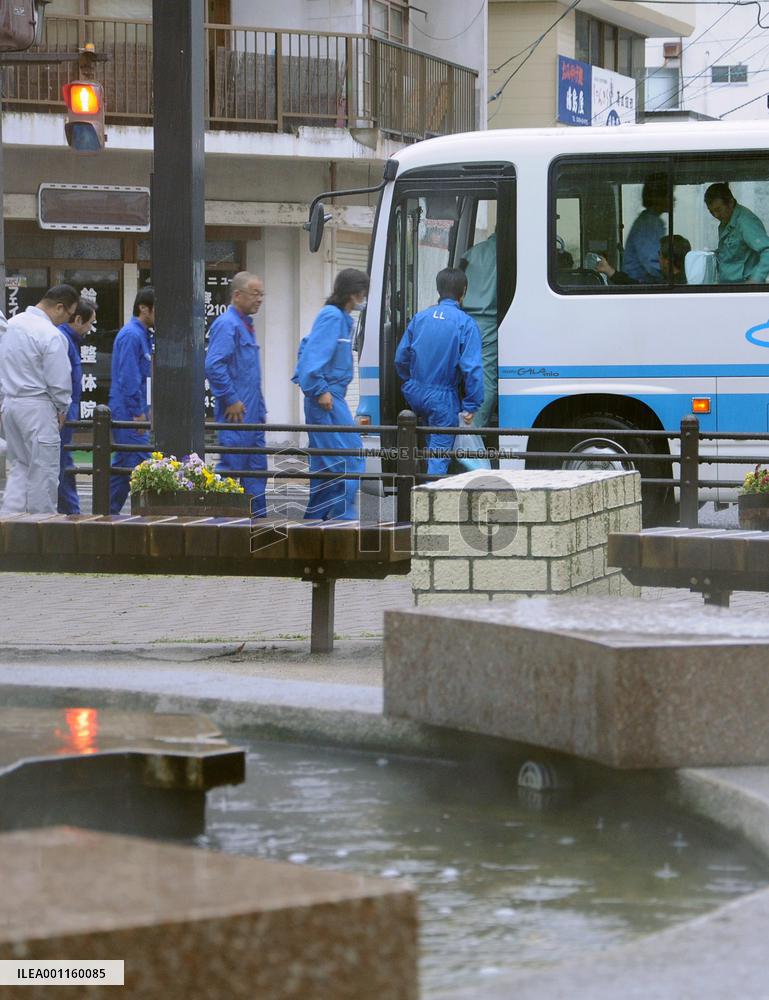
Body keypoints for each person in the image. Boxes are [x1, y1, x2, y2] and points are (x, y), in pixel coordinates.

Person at [293, 269, 369, 520]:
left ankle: (316, 521)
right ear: (353, 293)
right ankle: (341, 519)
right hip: (327, 400)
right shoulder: (332, 317)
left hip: (331, 398)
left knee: (327, 465)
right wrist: (320, 389)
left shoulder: (341, 318)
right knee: (346, 458)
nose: (364, 298)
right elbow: (312, 355)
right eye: (363, 292)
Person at [395, 267, 484, 476]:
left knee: (427, 443)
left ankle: (420, 491)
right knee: (438, 455)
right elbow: (472, 369)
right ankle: (431, 501)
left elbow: (401, 358)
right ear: (464, 291)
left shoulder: (420, 318)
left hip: (415, 393)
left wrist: (410, 383)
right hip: (442, 399)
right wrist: (472, 404)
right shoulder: (466, 323)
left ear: (438, 289)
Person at [0, 284, 77, 514]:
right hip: (39, 408)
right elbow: (60, 382)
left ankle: (9, 530)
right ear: (60, 307)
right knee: (43, 474)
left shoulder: (11, 325)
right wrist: (62, 409)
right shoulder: (51, 334)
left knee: (19, 470)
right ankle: (41, 534)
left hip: (11, 404)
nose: (67, 320)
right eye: (69, 314)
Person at [205, 272, 267, 516]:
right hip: (237, 418)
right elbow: (213, 364)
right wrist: (230, 398)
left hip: (252, 417)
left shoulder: (244, 325)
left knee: (256, 474)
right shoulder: (227, 324)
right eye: (255, 294)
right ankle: (224, 529)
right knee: (231, 474)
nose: (260, 299)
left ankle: (257, 527)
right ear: (237, 295)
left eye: (262, 294)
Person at [109, 287, 155, 515]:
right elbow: (129, 377)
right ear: (143, 308)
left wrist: (147, 410)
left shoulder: (143, 335)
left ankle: (106, 513)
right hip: (128, 411)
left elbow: (144, 376)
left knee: (128, 466)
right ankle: (106, 512)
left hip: (135, 411)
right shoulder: (132, 335)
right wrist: (138, 411)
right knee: (135, 463)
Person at [57, 297, 96, 514]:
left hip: (67, 413)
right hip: (63, 414)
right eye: (90, 323)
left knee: (65, 463)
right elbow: (60, 379)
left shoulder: (69, 339)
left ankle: (71, 511)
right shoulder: (63, 339)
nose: (90, 329)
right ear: (78, 319)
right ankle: (70, 512)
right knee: (62, 464)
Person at [461, 231, 497, 429]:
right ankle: (474, 435)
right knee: (485, 381)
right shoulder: (512, 254)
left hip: (466, 321)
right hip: (491, 323)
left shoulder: (471, 253)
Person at [704, 182, 769, 284]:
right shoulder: (726, 220)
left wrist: (756, 280)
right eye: (711, 211)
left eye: (718, 210)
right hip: (728, 286)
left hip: (744, 288)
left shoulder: (745, 222)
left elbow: (767, 251)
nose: (715, 215)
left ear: (730, 202)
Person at [622, 174, 668, 283]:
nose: (674, 199)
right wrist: (671, 277)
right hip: (640, 285)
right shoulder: (648, 223)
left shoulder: (653, 220)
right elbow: (652, 262)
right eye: (670, 194)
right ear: (658, 197)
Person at [596, 234, 691, 286]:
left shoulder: (665, 287)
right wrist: (608, 270)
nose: (658, 259)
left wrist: (609, 270)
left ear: (667, 261)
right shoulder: (687, 280)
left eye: (659, 254)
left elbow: (636, 287)